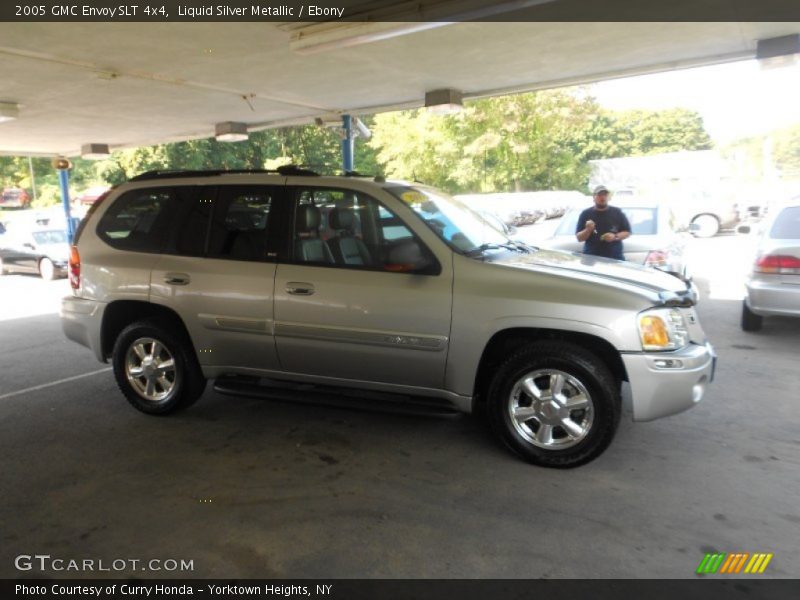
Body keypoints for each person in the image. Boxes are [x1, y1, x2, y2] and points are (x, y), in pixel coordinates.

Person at [575, 185, 631, 260]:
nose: (603, 197)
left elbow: (627, 232)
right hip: (591, 258)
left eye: (605, 195)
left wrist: (615, 237)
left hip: (614, 258)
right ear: (594, 197)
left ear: (608, 197)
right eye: (599, 195)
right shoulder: (586, 214)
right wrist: (587, 230)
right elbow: (579, 238)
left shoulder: (617, 212)